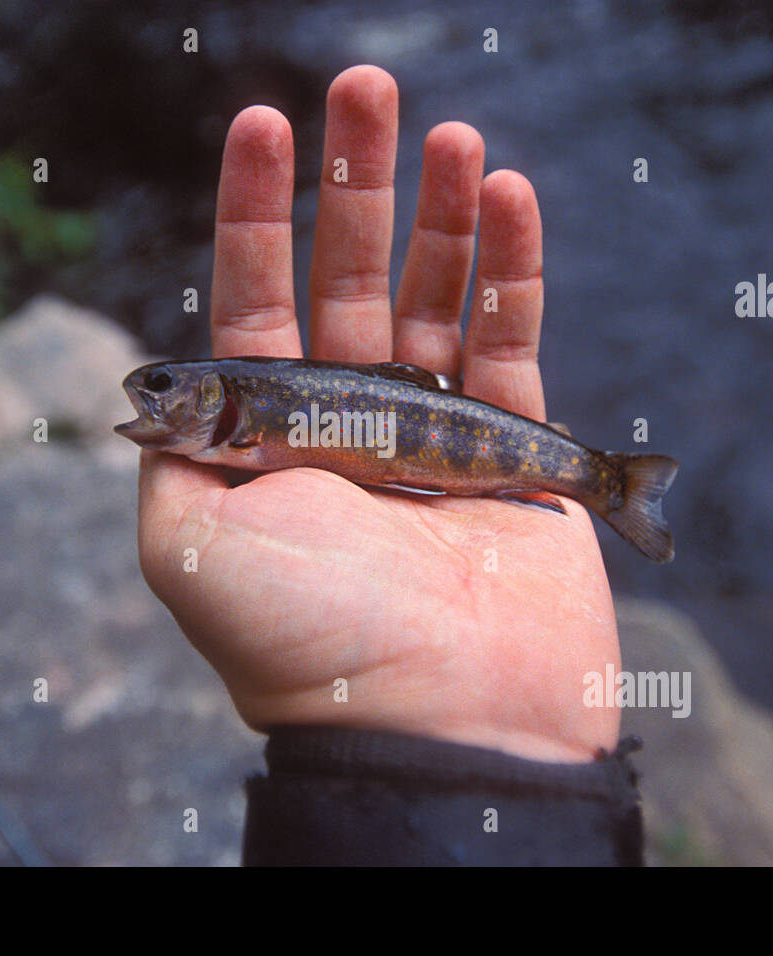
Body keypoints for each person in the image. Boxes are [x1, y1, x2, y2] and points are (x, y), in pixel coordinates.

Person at [136, 65, 643, 865]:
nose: (153, 398)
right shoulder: (230, 418)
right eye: (157, 389)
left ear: (214, 399)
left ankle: (603, 478)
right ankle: (603, 477)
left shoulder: (239, 418)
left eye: (166, 388)